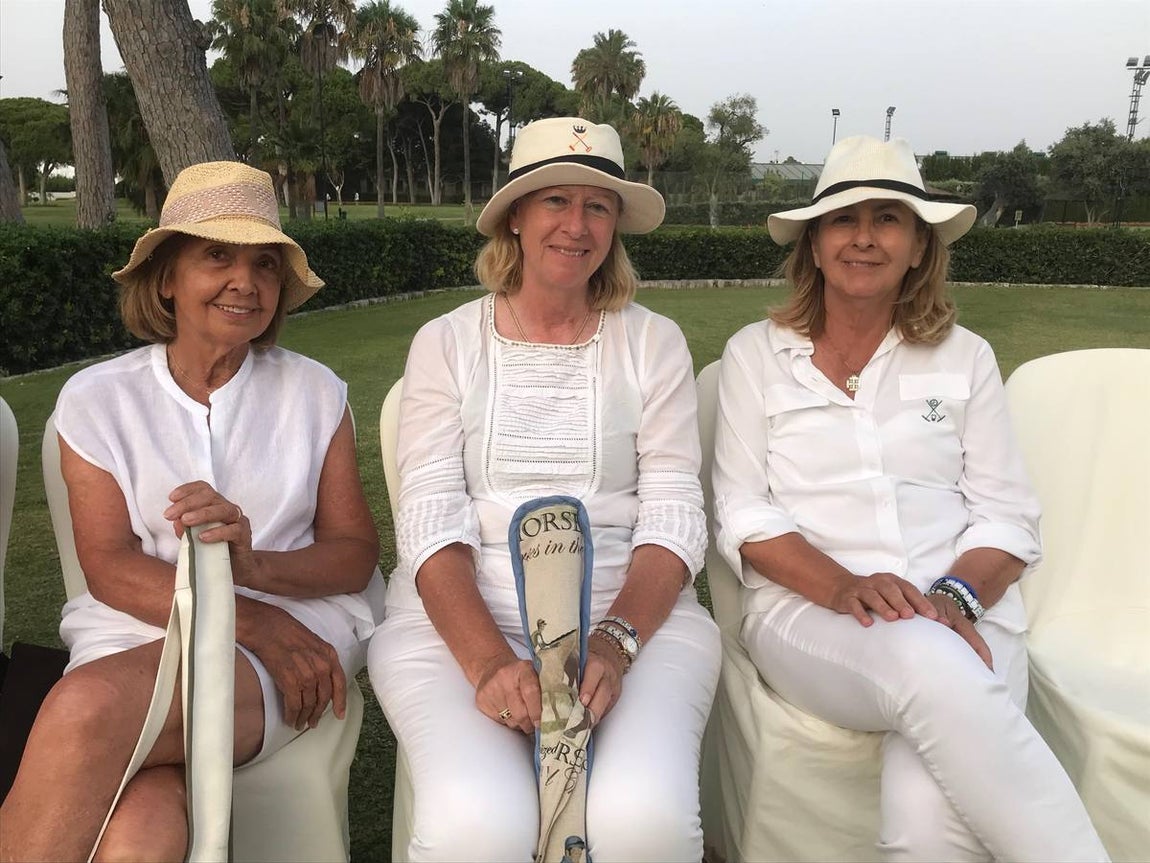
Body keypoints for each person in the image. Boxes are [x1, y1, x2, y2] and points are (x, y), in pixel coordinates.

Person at [712, 135, 1108, 862]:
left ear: (920, 246)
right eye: (843, 218)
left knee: (928, 825)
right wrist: (846, 585)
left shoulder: (965, 356)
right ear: (814, 243)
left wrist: (952, 598)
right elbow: (744, 515)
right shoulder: (754, 355)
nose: (864, 236)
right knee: (924, 658)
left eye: (887, 218)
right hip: (809, 616)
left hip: (967, 612)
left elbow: (1006, 515)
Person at [0, 162, 381, 862]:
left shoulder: (315, 394)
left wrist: (255, 566)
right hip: (137, 628)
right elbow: (109, 566)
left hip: (299, 632)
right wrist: (248, 618)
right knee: (141, 835)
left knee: (85, 709)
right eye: (217, 255)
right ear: (167, 277)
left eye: (265, 263)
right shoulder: (97, 399)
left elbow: (355, 551)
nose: (246, 280)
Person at [369, 117, 721, 862]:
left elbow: (674, 517)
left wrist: (616, 643)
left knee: (643, 821)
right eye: (555, 200)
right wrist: (488, 661)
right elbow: (430, 518)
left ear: (616, 225)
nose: (576, 223)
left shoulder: (653, 343)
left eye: (597, 205)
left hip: (630, 622)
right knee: (476, 825)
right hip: (462, 623)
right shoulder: (448, 341)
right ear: (517, 219)